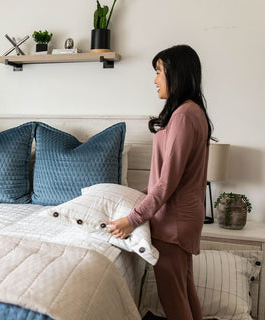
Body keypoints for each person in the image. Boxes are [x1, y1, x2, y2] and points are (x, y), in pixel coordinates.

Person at [107, 45, 213, 320]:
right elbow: (166, 180)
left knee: (174, 302)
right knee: (185, 294)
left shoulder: (184, 116)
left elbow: (167, 182)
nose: (155, 80)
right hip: (182, 218)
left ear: (175, 75)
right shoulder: (192, 113)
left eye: (158, 72)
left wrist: (132, 218)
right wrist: (132, 195)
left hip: (172, 223)